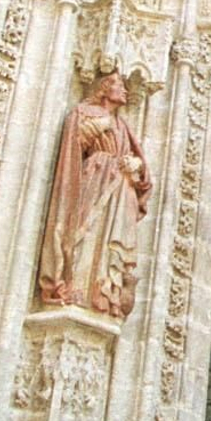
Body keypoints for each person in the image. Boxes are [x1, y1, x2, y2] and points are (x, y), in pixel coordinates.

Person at [37, 70, 152, 319]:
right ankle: (76, 284)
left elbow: (138, 159)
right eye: (119, 85)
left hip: (119, 189)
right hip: (95, 180)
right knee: (86, 231)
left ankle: (103, 291)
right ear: (104, 88)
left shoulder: (122, 125)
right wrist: (99, 126)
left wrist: (136, 166)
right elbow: (75, 142)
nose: (125, 90)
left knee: (111, 243)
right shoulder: (86, 113)